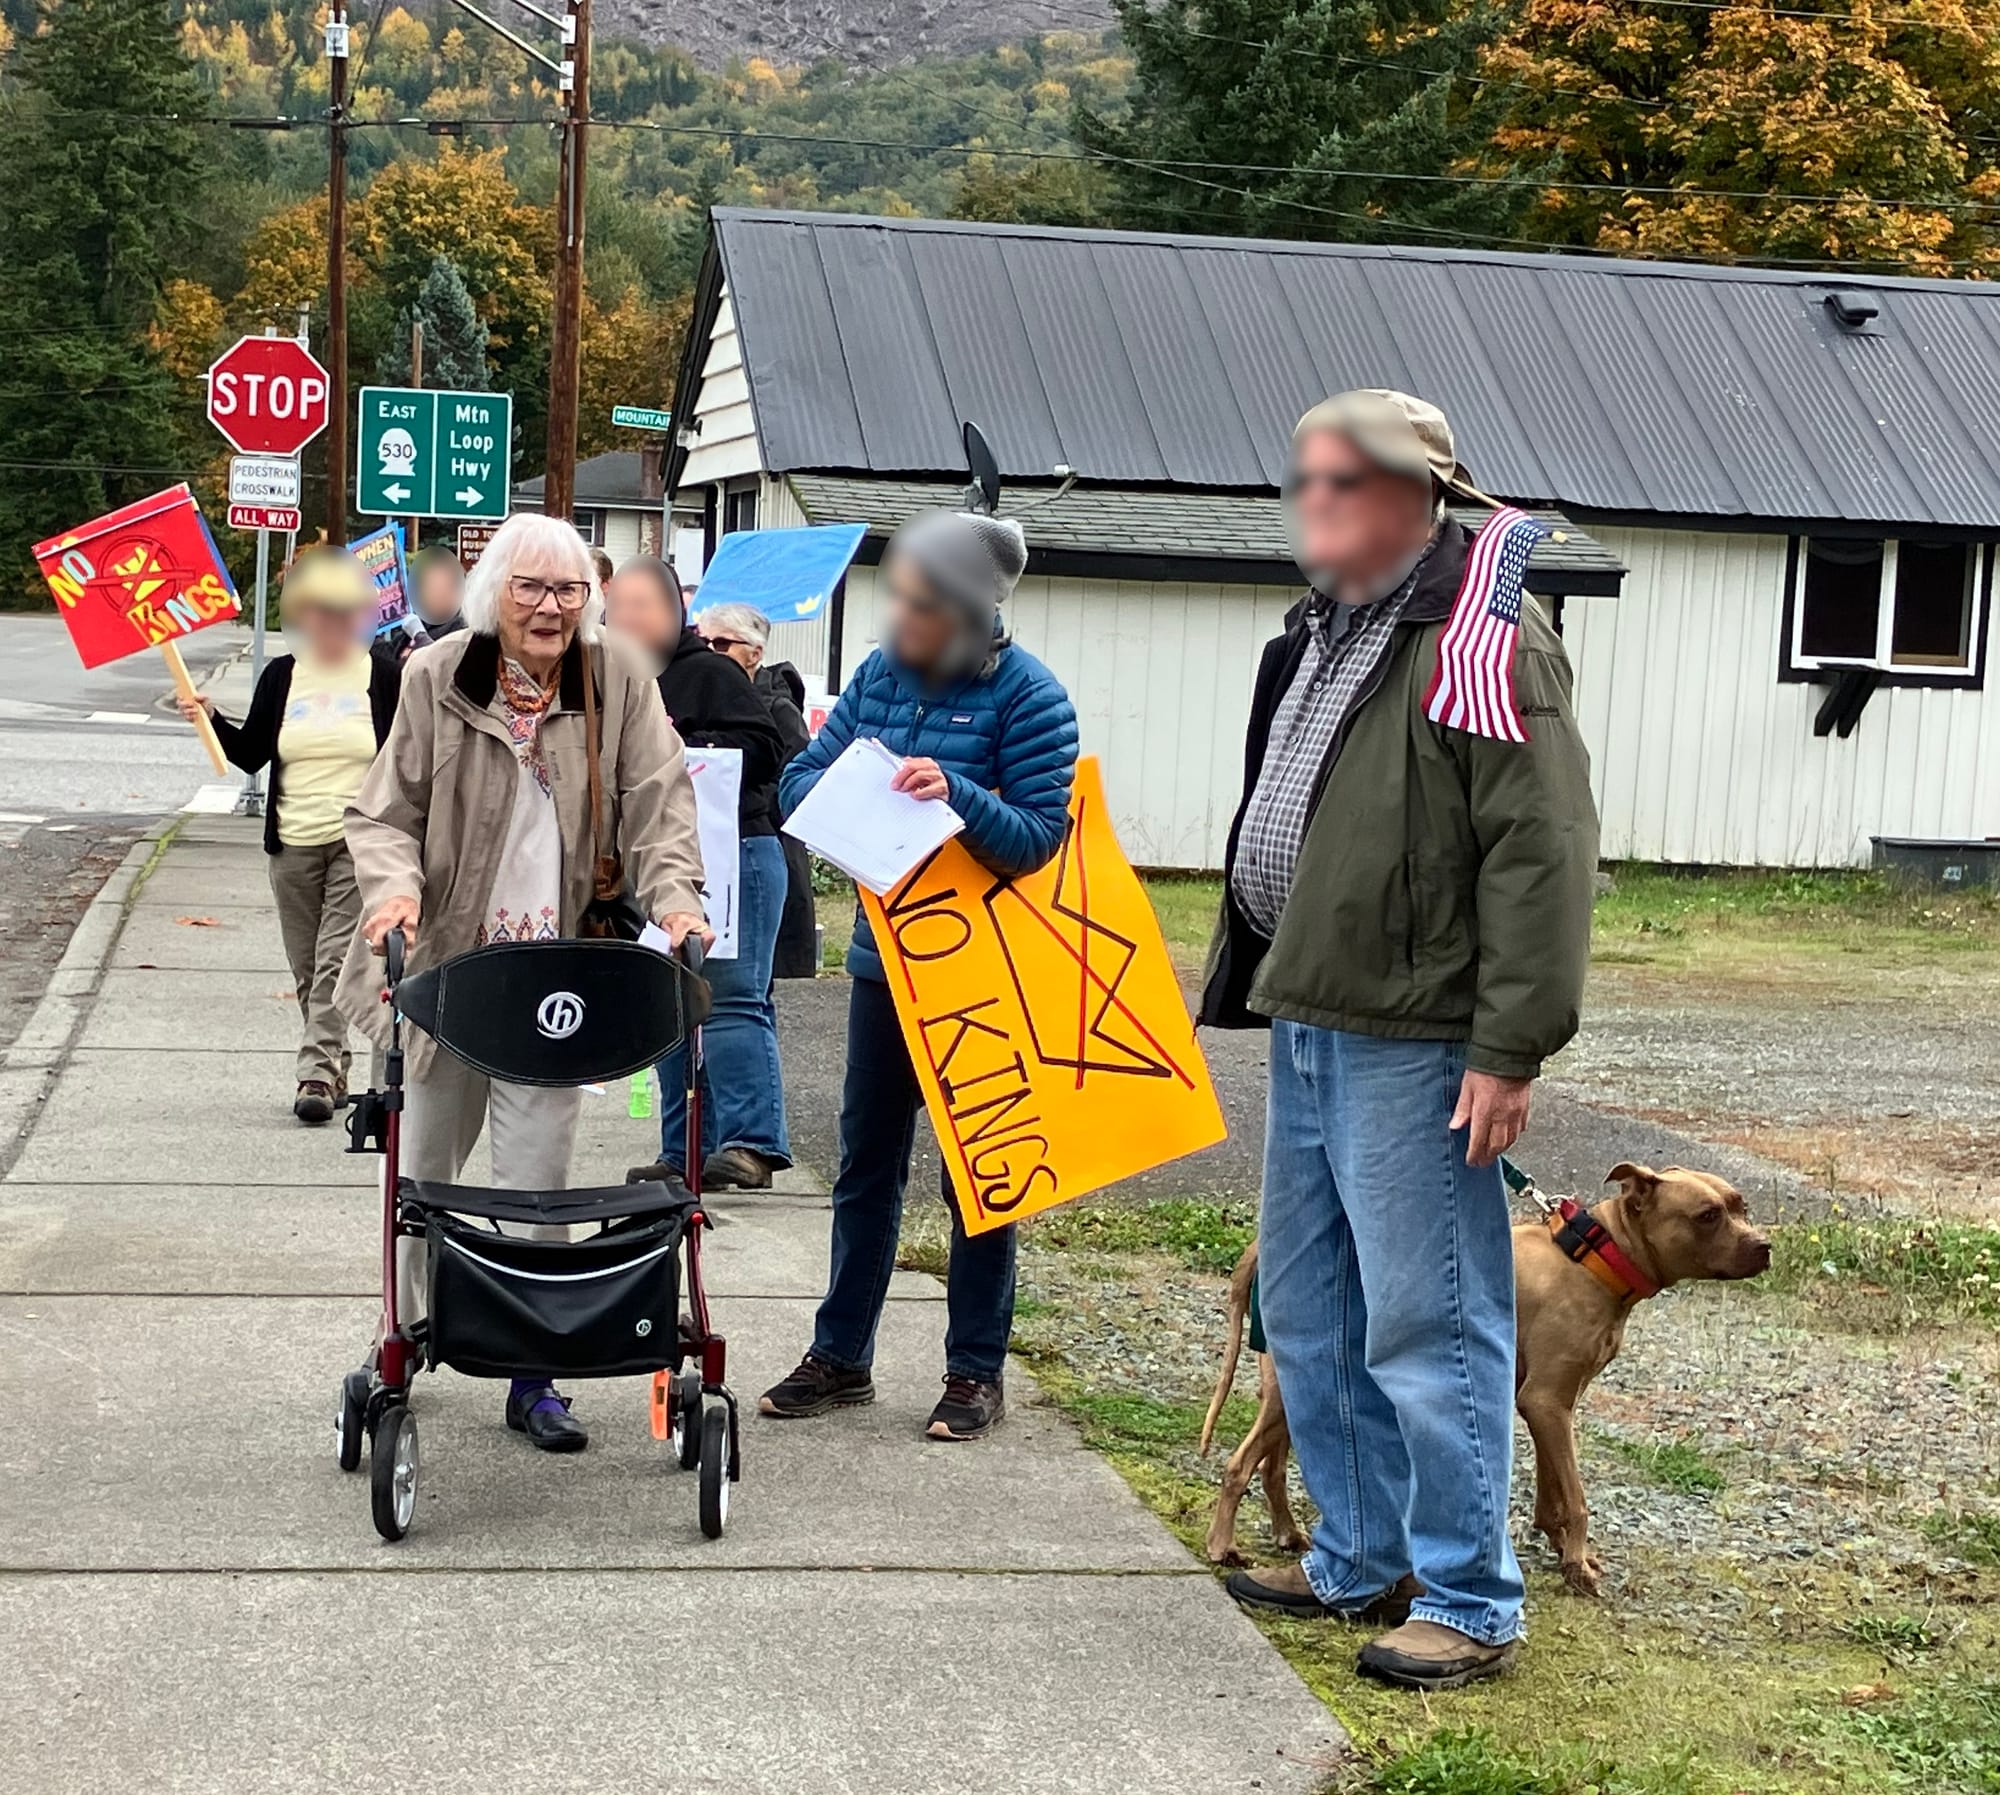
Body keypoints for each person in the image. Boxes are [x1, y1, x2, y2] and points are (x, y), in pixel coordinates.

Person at [1202, 391, 1598, 1690]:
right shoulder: (1331, 626)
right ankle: (1363, 1549)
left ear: (1417, 492)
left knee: (1432, 1319)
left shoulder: (1483, 631)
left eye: (1340, 480)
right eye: (1302, 477)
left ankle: (1474, 1593)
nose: (1310, 500)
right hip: (1313, 1006)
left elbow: (1540, 851)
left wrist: (1509, 1045)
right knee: (1310, 1306)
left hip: (1419, 1032)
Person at [336, 513, 711, 1453]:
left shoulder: (615, 675)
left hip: (556, 973)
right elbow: (385, 814)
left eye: (570, 591)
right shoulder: (438, 674)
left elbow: (660, 802)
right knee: (422, 1174)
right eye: (532, 589)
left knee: (537, 1188)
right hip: (449, 966)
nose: (551, 609)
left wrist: (679, 903)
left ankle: (532, 1369)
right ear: (493, 593)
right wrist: (392, 897)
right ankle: (408, 1335)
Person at [760, 510, 1078, 1444]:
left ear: (972, 610)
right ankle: (840, 1355)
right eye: (897, 597)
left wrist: (959, 795)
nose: (901, 618)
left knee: (983, 1174)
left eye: (921, 603)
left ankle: (975, 1370)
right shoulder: (878, 674)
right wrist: (834, 790)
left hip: (982, 975)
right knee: (866, 1163)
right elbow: (798, 780)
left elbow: (1036, 841)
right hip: (881, 963)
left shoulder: (1032, 697)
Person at [178, 547, 398, 1125]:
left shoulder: (384, 674)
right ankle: (335, 1064)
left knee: (332, 960)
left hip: (360, 840)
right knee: (307, 967)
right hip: (292, 843)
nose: (331, 622)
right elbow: (251, 751)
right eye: (320, 611)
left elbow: (408, 757)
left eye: (343, 610)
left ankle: (316, 1074)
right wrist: (210, 718)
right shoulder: (283, 675)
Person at [604, 560, 790, 1190]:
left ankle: (751, 1142)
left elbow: (767, 750)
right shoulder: (615, 681)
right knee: (668, 1007)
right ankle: (684, 1149)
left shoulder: (706, 671)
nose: (626, 620)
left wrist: (682, 741)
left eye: (640, 607)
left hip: (738, 854)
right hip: (660, 867)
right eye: (616, 607)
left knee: (733, 1000)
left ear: (672, 613)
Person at [699, 601, 818, 980]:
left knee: (752, 985)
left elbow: (795, 783)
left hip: (765, 846)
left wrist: (742, 803)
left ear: (754, 653)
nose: (710, 653)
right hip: (715, 849)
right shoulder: (707, 697)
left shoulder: (778, 709)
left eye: (721, 644)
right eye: (703, 642)